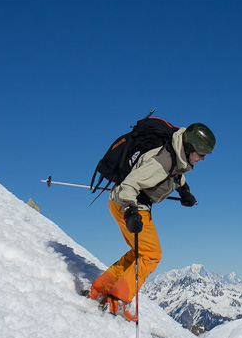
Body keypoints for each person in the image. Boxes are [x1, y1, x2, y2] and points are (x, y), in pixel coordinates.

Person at [87, 122, 215, 321]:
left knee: (138, 254)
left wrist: (184, 192)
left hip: (120, 204)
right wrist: (131, 212)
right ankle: (118, 302)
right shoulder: (163, 161)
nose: (202, 159)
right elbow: (130, 185)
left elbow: (176, 174)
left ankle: (99, 291)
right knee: (151, 255)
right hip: (129, 205)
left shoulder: (176, 153)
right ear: (189, 148)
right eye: (200, 154)